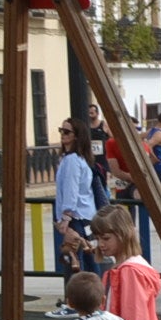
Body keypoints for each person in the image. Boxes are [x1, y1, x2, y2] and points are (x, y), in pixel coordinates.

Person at [52, 119, 99, 283]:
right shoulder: (77, 159)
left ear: (77, 136)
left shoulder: (72, 160)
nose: (63, 135)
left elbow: (71, 190)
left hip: (76, 217)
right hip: (85, 215)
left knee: (73, 259)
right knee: (88, 258)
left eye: (67, 132)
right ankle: (93, 296)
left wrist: (65, 217)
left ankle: (77, 299)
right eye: (61, 130)